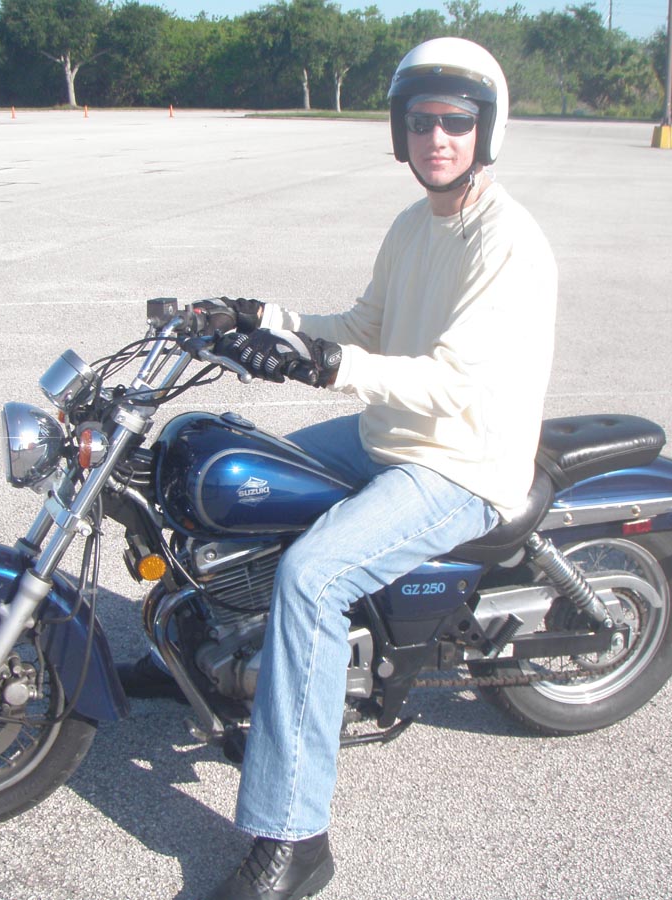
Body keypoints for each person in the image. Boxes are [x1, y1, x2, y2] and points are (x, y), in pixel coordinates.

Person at [121, 37, 558, 900]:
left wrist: (324, 368)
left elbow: (454, 382)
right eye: (421, 121)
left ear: (487, 129)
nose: (437, 138)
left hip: (463, 461)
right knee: (226, 474)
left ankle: (296, 836)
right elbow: (363, 325)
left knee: (314, 577)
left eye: (455, 122)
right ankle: (198, 652)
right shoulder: (415, 224)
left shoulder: (507, 241)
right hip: (392, 434)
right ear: (401, 130)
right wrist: (264, 321)